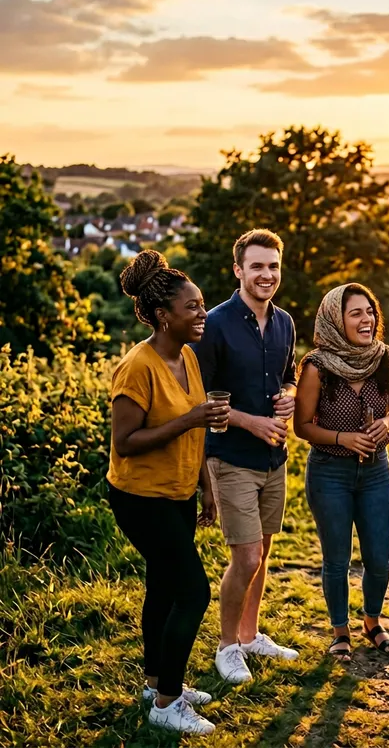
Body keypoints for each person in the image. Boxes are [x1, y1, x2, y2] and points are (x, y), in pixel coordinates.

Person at [108, 250, 229, 736]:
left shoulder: (188, 358)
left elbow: (196, 426)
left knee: (162, 586)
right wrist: (191, 419)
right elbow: (125, 442)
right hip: (140, 497)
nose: (202, 314)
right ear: (163, 316)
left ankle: (155, 680)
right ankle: (167, 702)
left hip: (178, 492)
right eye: (193, 307)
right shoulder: (138, 366)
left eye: (202, 305)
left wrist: (207, 487)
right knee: (193, 592)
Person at [193, 229, 299, 685]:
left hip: (275, 458)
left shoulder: (286, 323)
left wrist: (291, 396)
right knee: (248, 556)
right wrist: (251, 421)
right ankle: (227, 646)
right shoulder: (213, 324)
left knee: (265, 548)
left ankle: (251, 634)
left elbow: (289, 375)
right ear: (237, 270)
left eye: (273, 266)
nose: (266, 275)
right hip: (230, 456)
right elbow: (199, 400)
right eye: (257, 266)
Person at [294, 284, 389, 662]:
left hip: (376, 472)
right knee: (337, 559)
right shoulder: (316, 366)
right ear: (334, 320)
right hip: (329, 473)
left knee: (379, 558)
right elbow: (303, 426)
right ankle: (340, 631)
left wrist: (387, 424)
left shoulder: (384, 358)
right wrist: (344, 437)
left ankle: (372, 623)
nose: (367, 319)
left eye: (369, 311)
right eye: (355, 312)